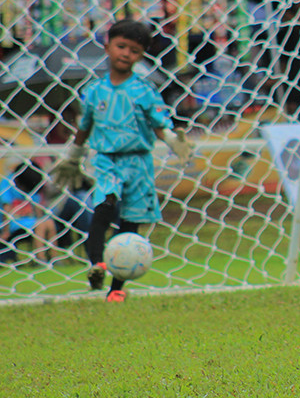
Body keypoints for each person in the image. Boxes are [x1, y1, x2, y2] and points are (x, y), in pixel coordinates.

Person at [51, 19, 192, 302]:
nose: (126, 53)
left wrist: (173, 139)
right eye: (121, 46)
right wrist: (73, 157)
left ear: (141, 56)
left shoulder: (143, 90)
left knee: (130, 225)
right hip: (107, 160)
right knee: (104, 205)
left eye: (135, 50)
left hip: (139, 163)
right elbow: (85, 126)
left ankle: (116, 290)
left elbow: (158, 124)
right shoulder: (93, 91)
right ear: (108, 46)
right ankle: (96, 264)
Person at [0, 162, 58, 265]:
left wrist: (41, 218)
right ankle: (41, 258)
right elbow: (6, 208)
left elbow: (37, 206)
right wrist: (5, 231)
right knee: (40, 225)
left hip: (30, 220)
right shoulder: (7, 184)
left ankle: (55, 257)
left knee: (49, 222)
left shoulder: (32, 184)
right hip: (13, 223)